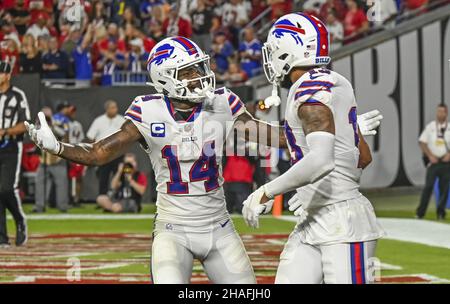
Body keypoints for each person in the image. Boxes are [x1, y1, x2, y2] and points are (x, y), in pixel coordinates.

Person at [25, 36, 380, 284]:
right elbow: (100, 152)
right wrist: (57, 146)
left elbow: (273, 136)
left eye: (199, 68)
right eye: (189, 72)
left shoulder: (222, 103)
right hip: (173, 230)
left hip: (219, 228)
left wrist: (341, 135)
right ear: (166, 77)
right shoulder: (147, 111)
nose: (200, 77)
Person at [242, 13, 385, 284]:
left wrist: (265, 191)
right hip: (314, 217)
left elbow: (320, 161)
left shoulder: (309, 89)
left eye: (273, 51)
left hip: (343, 223)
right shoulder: (324, 82)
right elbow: (362, 157)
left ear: (288, 50)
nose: (270, 59)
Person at [0, 61, 29, 247]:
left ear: (7, 75)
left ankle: (20, 221)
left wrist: (4, 131)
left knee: (6, 189)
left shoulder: (17, 96)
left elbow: (25, 124)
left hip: (10, 147)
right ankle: (2, 237)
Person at [33, 103, 71, 213]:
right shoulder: (37, 125)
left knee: (61, 184)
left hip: (57, 159)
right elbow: (34, 138)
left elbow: (64, 134)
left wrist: (52, 125)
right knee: (40, 183)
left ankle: (62, 206)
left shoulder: (59, 122)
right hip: (43, 160)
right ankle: (39, 206)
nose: (46, 118)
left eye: (47, 116)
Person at [416, 104, 450, 220]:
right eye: (438, 111)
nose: (440, 114)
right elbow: (422, 142)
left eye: (442, 112)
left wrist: (449, 155)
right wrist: (430, 155)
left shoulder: (449, 127)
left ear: (446, 113)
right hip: (433, 162)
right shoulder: (430, 127)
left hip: (446, 163)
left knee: (444, 188)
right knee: (428, 187)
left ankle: (441, 213)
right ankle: (420, 213)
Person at [86, 100, 125, 197]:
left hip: (117, 153)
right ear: (107, 109)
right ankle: (102, 199)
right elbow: (91, 137)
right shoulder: (99, 121)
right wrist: (94, 152)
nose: (115, 109)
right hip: (103, 154)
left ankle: (118, 198)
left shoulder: (122, 120)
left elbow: (127, 136)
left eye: (115, 107)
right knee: (103, 177)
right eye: (112, 107)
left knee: (119, 176)